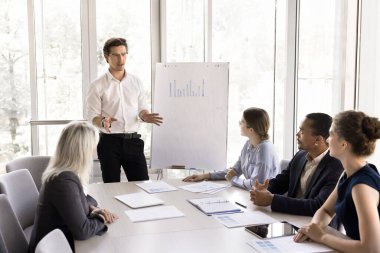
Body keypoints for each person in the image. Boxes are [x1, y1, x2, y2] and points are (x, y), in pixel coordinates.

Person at [294, 110, 380, 253]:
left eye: (331, 135)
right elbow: (326, 211)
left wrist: (321, 236)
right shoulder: (348, 174)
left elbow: (371, 249)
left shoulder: (362, 187)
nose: (327, 140)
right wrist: (313, 228)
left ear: (343, 145)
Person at [28, 121, 118, 253]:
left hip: (57, 242)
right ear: (83, 150)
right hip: (55, 247)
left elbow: (83, 199)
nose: (94, 152)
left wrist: (92, 209)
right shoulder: (63, 182)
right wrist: (101, 218)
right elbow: (83, 231)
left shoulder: (64, 173)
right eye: (93, 147)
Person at [86, 37, 163, 183]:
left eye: (123, 54)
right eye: (115, 55)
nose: (120, 59)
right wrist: (103, 121)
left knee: (142, 186)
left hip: (133, 141)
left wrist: (145, 116)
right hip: (109, 143)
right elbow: (91, 116)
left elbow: (142, 109)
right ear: (107, 57)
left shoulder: (136, 82)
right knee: (111, 187)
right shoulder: (97, 85)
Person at [250, 113, 344, 216]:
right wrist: (264, 190)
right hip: (291, 219)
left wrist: (272, 200)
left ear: (318, 139)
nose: (297, 134)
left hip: (318, 227)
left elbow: (318, 206)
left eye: (302, 131)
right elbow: (281, 182)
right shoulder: (300, 156)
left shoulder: (336, 167)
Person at [183, 107, 280, 190]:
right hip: (251, 196)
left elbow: (255, 184)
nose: (239, 124)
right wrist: (205, 175)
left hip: (266, 203)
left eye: (242, 122)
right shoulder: (248, 144)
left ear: (251, 130)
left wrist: (233, 179)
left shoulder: (264, 149)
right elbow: (234, 171)